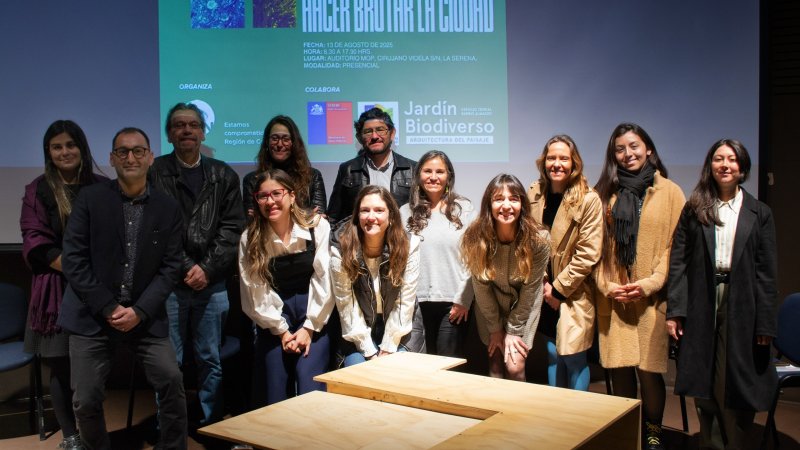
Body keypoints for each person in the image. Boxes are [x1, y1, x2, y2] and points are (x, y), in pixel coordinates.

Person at [58, 127, 186, 450]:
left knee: (172, 380)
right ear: (112, 159)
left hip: (144, 316)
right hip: (92, 315)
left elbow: (170, 268)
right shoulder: (90, 200)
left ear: (150, 157)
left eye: (138, 151)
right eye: (123, 152)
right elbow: (73, 260)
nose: (131, 157)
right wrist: (108, 307)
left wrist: (139, 311)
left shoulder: (168, 207)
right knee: (85, 399)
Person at [666, 139, 778, 450]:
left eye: (732, 159)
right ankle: (711, 443)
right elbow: (678, 261)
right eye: (718, 158)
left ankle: (736, 443)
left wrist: (765, 324)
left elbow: (767, 273)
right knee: (703, 378)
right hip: (702, 299)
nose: (725, 165)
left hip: (742, 302)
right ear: (710, 165)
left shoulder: (760, 212)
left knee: (735, 379)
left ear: (742, 168)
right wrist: (675, 310)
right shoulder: (695, 208)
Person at [149, 102, 245, 425]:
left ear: (203, 133)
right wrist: (185, 266)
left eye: (193, 125)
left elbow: (232, 229)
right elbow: (155, 229)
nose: (186, 130)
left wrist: (207, 269)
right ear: (169, 134)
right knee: (169, 362)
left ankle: (210, 424)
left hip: (212, 283)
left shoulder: (223, 174)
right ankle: (169, 426)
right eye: (179, 125)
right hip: (168, 285)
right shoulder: (154, 173)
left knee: (210, 359)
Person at [593, 123, 685, 450]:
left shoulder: (670, 192)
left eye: (634, 146)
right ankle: (626, 431)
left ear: (648, 149)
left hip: (652, 299)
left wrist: (651, 283)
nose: (627, 154)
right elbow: (594, 247)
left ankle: (653, 433)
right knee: (619, 370)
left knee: (649, 372)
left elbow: (675, 246)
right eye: (620, 149)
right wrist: (607, 286)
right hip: (615, 298)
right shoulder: (604, 193)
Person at [20, 120, 106, 449]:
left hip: (97, 290)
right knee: (59, 364)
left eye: (71, 145)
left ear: (82, 148)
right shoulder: (37, 190)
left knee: (93, 368)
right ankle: (71, 437)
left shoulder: (102, 187)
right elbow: (36, 241)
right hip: (55, 289)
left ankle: (93, 435)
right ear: (49, 152)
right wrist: (80, 272)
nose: (65, 152)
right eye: (57, 147)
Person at [239, 169, 334, 405]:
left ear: (291, 196)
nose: (270, 201)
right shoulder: (250, 238)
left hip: (314, 313)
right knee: (274, 387)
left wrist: (309, 328)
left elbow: (325, 280)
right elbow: (254, 292)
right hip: (273, 317)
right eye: (262, 196)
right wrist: (281, 331)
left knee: (310, 382)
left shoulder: (317, 227)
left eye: (276, 193)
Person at [528, 135, 602, 391]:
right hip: (543, 289)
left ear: (574, 163)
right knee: (552, 354)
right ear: (543, 161)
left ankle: (578, 414)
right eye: (551, 158)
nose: (556, 164)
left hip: (573, 291)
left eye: (563, 158)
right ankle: (554, 412)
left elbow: (588, 253)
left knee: (573, 358)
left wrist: (558, 291)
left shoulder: (589, 199)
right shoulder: (535, 193)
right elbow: (529, 242)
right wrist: (544, 285)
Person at [461, 174, 550, 381]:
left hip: (524, 307)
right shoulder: (475, 237)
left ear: (522, 204)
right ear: (489, 204)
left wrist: (514, 330)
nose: (507, 206)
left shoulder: (539, 239)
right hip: (490, 306)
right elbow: (481, 288)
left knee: (514, 365)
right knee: (495, 363)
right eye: (499, 199)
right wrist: (495, 328)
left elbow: (531, 290)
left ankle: (519, 404)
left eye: (514, 199)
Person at [330, 185, 425, 366]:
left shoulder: (409, 244)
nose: (371, 217)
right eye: (365, 210)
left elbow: (405, 301)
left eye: (379, 210)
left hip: (401, 327)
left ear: (391, 216)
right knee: (359, 372)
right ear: (357, 215)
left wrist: (388, 346)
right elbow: (346, 304)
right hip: (358, 328)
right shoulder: (340, 247)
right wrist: (369, 351)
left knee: (396, 370)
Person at [400, 150, 475, 357]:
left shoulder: (464, 209)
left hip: (453, 304)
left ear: (448, 176)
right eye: (427, 171)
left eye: (440, 171)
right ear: (418, 175)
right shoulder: (404, 212)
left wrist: (464, 299)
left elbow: (474, 259)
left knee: (446, 366)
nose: (433, 177)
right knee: (418, 368)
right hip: (413, 304)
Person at [327, 107, 416, 224]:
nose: (374, 136)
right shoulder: (348, 169)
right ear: (359, 138)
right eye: (368, 132)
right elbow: (334, 216)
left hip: (401, 234)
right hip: (360, 234)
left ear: (392, 133)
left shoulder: (412, 169)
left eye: (380, 130)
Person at [241, 115, 327, 217]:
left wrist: (269, 214)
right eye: (274, 138)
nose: (279, 144)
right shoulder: (252, 180)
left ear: (294, 143)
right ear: (267, 142)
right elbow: (252, 220)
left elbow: (317, 218)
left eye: (286, 139)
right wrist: (304, 214)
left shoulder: (312, 176)